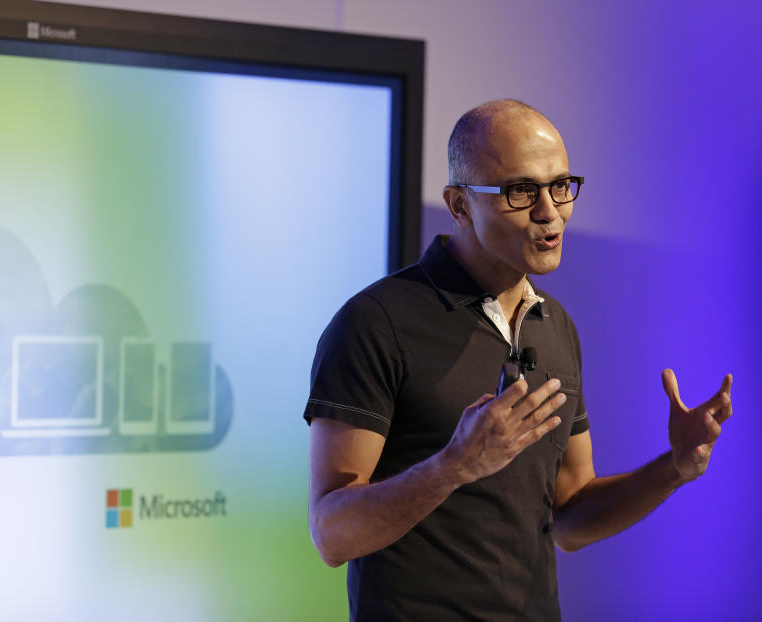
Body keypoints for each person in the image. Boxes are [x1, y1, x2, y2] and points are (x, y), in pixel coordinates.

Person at [302, 99, 733, 621]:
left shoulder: (556, 325)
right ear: (459, 206)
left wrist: (674, 469)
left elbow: (570, 517)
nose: (550, 211)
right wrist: (452, 467)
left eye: (560, 185)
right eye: (520, 191)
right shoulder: (375, 323)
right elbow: (331, 534)